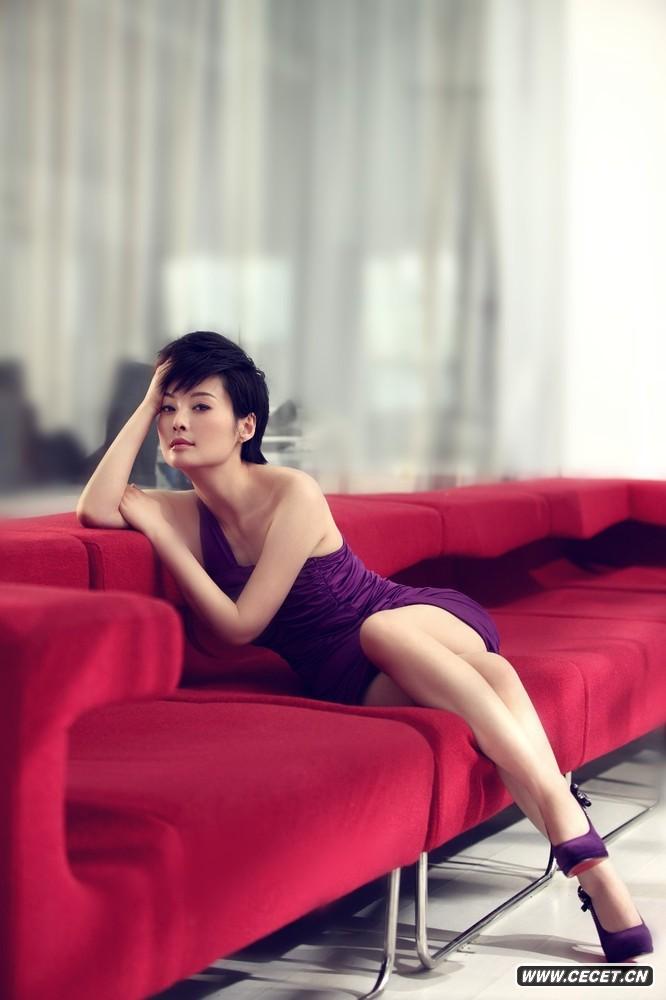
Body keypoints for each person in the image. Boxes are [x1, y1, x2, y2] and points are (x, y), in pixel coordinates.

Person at [77, 330, 653, 963]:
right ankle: (589, 859)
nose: (178, 422)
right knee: (495, 679)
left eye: (198, 405)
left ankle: (572, 833)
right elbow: (97, 508)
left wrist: (163, 536)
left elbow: (242, 623)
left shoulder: (290, 491)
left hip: (416, 617)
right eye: (169, 407)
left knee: (387, 631)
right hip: (343, 674)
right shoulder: (183, 514)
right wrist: (147, 402)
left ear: (245, 427)